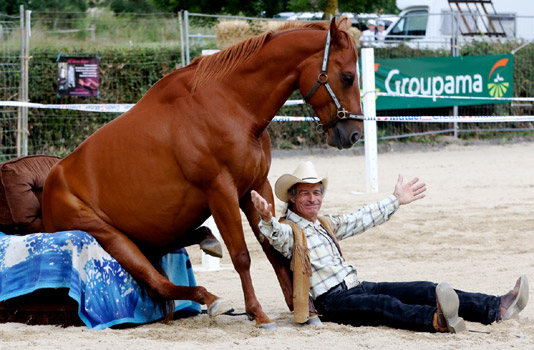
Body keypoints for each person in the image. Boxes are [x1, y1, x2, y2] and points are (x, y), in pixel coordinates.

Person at [251, 161, 529, 333]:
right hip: (331, 302)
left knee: (423, 288)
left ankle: (495, 308)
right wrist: (267, 218)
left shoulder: (325, 223)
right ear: (292, 196)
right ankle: (436, 320)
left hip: (356, 286)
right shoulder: (290, 228)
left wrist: (396, 200)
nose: (313, 198)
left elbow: (360, 218)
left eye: (316, 192)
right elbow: (277, 237)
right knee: (383, 305)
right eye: (305, 193)